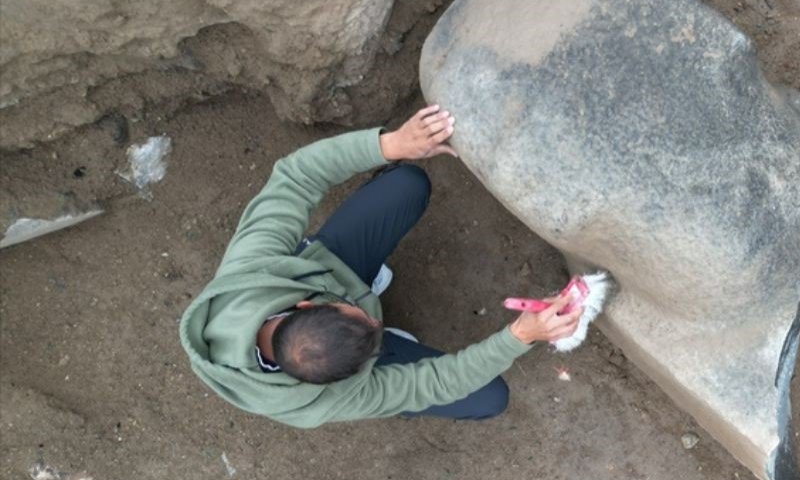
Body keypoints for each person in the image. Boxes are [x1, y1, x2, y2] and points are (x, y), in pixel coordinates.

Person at [179, 105, 581, 426]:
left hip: (326, 267)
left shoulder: (251, 273)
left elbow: (296, 177)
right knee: (489, 398)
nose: (375, 319)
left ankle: (361, 283)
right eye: (373, 330)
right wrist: (520, 335)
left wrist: (390, 145)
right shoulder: (326, 402)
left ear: (302, 305)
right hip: (338, 317)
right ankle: (392, 365)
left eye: (361, 317)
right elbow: (442, 380)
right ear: (341, 379)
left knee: (407, 184)